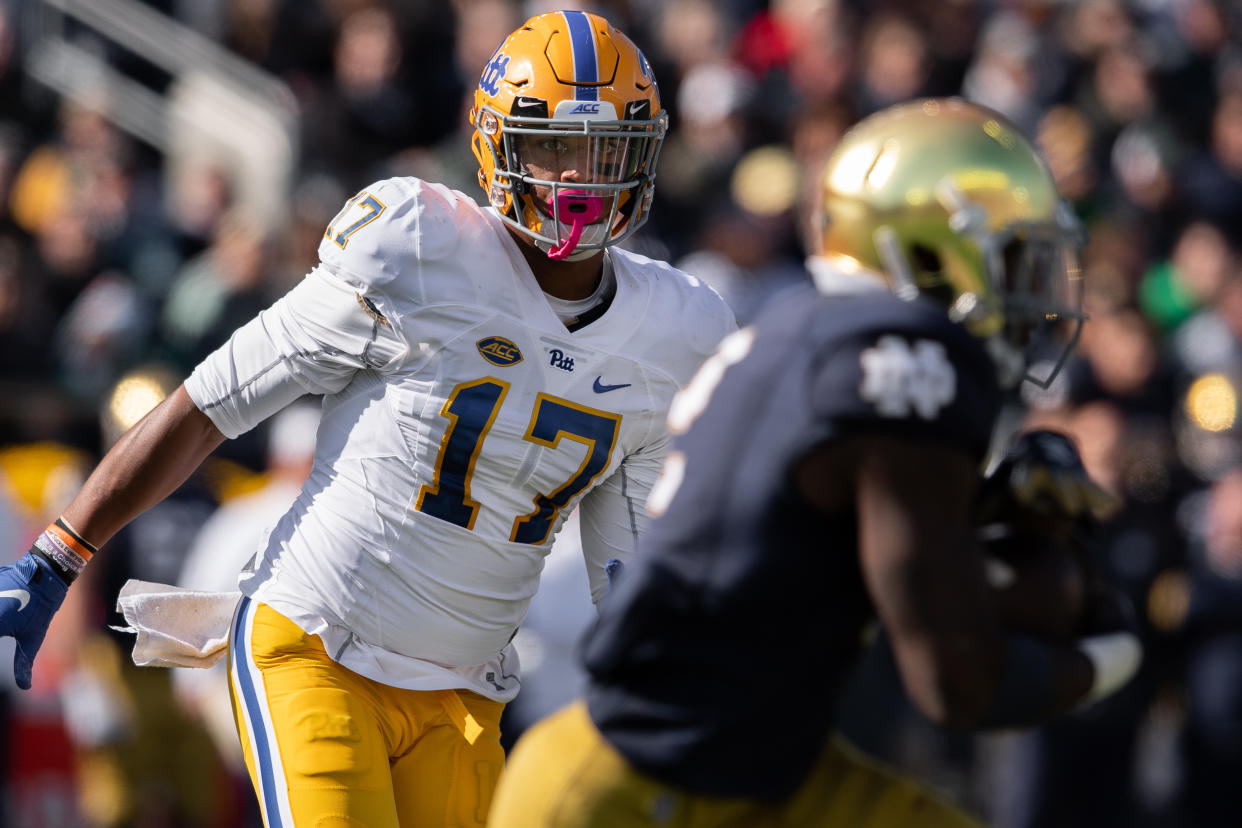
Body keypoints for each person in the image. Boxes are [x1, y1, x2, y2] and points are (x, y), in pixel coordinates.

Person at [0, 10, 735, 827]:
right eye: (553, 145)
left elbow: (623, 571)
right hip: (316, 642)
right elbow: (212, 402)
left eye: (606, 152)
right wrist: (60, 553)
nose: (580, 180)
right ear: (498, 145)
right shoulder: (419, 248)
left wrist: (684, 696)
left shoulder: (677, 331)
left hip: (463, 691)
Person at [487, 97, 1143, 827]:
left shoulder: (815, 330)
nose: (1032, 291)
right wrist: (1110, 657)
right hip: (632, 790)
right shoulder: (902, 360)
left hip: (744, 768)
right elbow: (958, 682)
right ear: (929, 248)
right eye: (1015, 254)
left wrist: (990, 516)